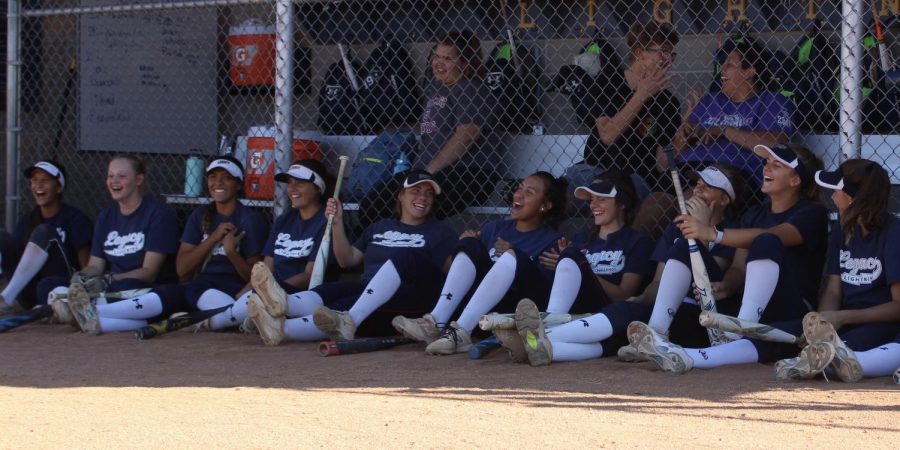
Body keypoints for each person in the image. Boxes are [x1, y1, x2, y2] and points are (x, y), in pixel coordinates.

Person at [628, 159, 900, 382]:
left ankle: (828, 362)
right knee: (775, 333)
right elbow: (833, 288)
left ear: (852, 198)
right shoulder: (844, 228)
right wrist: (824, 321)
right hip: (831, 318)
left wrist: (841, 317)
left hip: (870, 320)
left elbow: (897, 307)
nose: (832, 195)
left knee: (836, 345)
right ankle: (676, 348)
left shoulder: (886, 230)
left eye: (837, 190)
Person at [509, 164, 750, 366]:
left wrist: (702, 231)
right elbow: (658, 283)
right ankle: (542, 347)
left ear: (724, 199)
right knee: (624, 326)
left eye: (707, 186)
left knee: (679, 251)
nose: (697, 188)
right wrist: (642, 298)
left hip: (700, 317)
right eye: (697, 183)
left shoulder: (735, 232)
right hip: (665, 313)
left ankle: (538, 335)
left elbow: (718, 278)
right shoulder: (675, 228)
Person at [247, 170, 458, 346]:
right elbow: (347, 261)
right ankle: (284, 302)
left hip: (404, 296)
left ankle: (284, 329)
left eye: (429, 194)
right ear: (401, 195)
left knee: (348, 302)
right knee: (331, 290)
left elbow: (446, 277)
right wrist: (337, 223)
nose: (423, 197)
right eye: (416, 190)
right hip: (366, 287)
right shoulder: (379, 227)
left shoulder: (440, 232)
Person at [388, 172, 568, 355]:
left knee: (512, 257)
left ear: (545, 206)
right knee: (469, 243)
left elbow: (541, 291)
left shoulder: (551, 241)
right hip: (478, 309)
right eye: (519, 188)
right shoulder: (494, 228)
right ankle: (435, 323)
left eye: (529, 192)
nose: (519, 195)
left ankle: (460, 332)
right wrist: (465, 246)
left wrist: (515, 255)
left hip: (512, 308)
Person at [358, 29, 497, 228]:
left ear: (465, 63)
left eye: (448, 58)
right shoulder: (436, 88)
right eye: (436, 56)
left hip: (467, 171)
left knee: (404, 210)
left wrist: (429, 172)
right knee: (371, 206)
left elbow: (466, 135)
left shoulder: (471, 89)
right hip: (426, 171)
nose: (438, 63)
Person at [185, 159, 333, 331]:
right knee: (235, 300)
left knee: (244, 307)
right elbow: (266, 268)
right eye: (289, 183)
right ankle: (241, 319)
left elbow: (309, 275)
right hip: (271, 290)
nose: (291, 189)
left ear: (318, 187)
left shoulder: (325, 223)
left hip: (297, 294)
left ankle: (205, 323)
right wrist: (246, 292)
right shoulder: (284, 220)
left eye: (299, 184)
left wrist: (271, 290)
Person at [46, 155, 181, 333]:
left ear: (138, 179)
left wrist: (108, 280)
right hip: (109, 289)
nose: (114, 181)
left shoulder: (158, 215)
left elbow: (149, 273)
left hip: (139, 289)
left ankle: (79, 312)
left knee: (127, 288)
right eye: (110, 176)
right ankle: (86, 313)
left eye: (122, 176)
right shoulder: (105, 217)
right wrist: (83, 278)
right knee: (49, 283)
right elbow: (95, 264)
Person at [575, 21, 681, 240]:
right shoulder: (608, 82)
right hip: (597, 169)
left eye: (671, 54)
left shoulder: (667, 101)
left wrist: (684, 130)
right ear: (640, 53)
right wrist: (641, 95)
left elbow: (661, 161)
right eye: (661, 52)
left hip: (636, 178)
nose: (667, 60)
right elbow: (607, 135)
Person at [673, 40, 793, 187]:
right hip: (686, 168)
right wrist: (685, 133)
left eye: (729, 64)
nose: (722, 69)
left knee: (689, 199)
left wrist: (723, 130)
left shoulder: (771, 101)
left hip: (733, 174)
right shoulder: (710, 100)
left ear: (750, 72)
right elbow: (671, 157)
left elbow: (776, 145)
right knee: (655, 200)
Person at [174, 157, 268, 330]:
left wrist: (231, 252)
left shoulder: (249, 219)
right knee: (192, 290)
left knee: (234, 305)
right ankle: (237, 319)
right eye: (213, 177)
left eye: (226, 177)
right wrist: (213, 238)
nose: (218, 182)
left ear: (238, 185)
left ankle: (202, 322)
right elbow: (182, 269)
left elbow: (254, 277)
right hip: (203, 287)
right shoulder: (199, 216)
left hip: (235, 288)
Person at [0, 161, 92, 314]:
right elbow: (14, 256)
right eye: (34, 181)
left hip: (59, 288)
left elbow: (86, 267)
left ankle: (6, 298)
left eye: (45, 181)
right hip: (28, 292)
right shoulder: (27, 220)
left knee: (44, 232)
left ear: (59, 187)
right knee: (2, 236)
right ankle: (7, 299)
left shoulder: (75, 218)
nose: (38, 186)